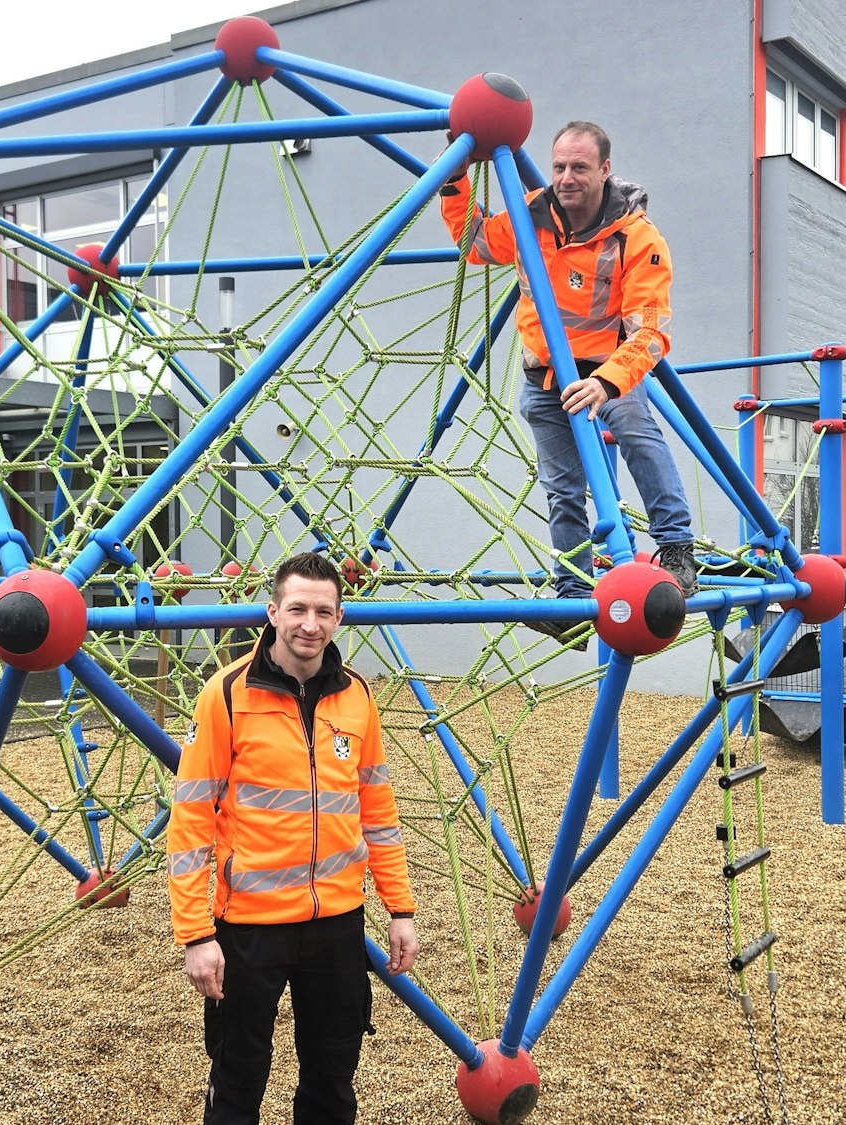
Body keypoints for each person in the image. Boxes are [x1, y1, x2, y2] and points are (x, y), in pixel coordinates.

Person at [169, 552, 420, 1125]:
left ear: (339, 619)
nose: (310, 623)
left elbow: (377, 809)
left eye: (323, 611)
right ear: (273, 611)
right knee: (238, 1075)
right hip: (249, 926)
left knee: (333, 1078)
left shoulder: (356, 696)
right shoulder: (226, 695)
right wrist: (195, 934)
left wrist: (400, 908)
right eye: (298, 608)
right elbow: (190, 823)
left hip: (336, 923)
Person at [440, 120, 698, 645]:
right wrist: (456, 180)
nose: (566, 177)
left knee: (636, 430)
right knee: (562, 490)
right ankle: (573, 595)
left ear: (605, 169)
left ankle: (675, 545)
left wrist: (608, 382)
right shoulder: (530, 216)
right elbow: (474, 242)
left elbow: (651, 331)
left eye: (579, 167)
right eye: (559, 166)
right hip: (546, 376)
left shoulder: (636, 237)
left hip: (607, 369)